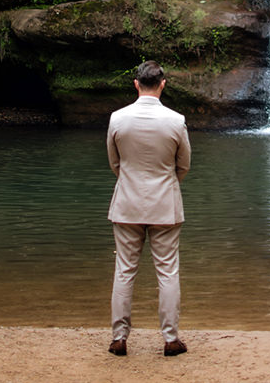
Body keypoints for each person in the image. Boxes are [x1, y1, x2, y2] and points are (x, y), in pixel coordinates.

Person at [106, 60, 192, 357]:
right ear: (163, 84)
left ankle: (119, 338)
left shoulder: (117, 119)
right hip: (164, 205)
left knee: (124, 271)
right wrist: (166, 183)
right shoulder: (176, 120)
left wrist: (131, 182)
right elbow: (184, 165)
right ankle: (170, 339)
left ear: (136, 84)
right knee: (168, 272)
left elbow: (114, 163)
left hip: (127, 203)